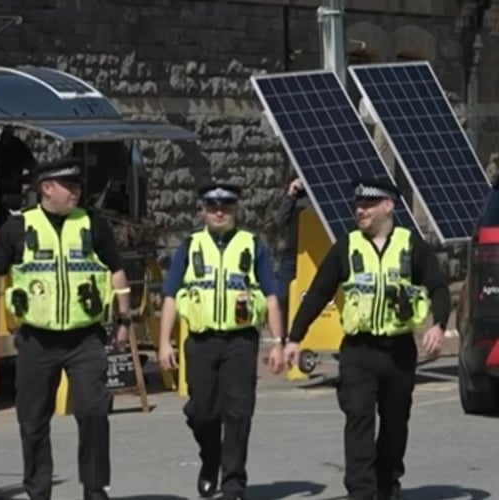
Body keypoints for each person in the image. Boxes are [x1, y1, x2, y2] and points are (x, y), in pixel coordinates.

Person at [0, 158, 132, 500]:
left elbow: (116, 272)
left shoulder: (92, 224)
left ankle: (95, 488)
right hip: (36, 338)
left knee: (93, 410)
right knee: (32, 419)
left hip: (85, 336)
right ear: (46, 188)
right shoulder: (18, 228)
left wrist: (124, 318)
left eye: (77, 186)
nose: (77, 192)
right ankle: (38, 490)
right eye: (68, 186)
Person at [283, 177, 450, 500]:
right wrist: (294, 338)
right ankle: (360, 491)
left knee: (395, 423)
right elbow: (318, 293)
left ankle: (387, 486)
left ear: (388, 206)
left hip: (399, 351)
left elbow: (439, 288)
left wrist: (438, 324)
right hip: (358, 351)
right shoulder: (346, 246)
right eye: (358, 205)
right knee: (358, 417)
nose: (361, 210)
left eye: (369, 205)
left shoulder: (410, 245)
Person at [158, 181, 285, 500]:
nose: (219, 212)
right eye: (213, 207)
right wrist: (164, 343)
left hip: (240, 342)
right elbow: (171, 297)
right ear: (203, 210)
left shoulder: (252, 244)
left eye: (225, 207)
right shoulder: (190, 245)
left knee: (238, 412)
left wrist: (278, 342)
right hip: (201, 341)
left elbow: (270, 297)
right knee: (200, 413)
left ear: (234, 210)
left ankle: (233, 484)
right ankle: (210, 458)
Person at [274, 172, 310, 332]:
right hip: (292, 254)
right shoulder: (296, 197)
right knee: (282, 296)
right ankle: (282, 336)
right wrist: (291, 194)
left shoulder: (320, 198)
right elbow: (281, 221)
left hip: (312, 257)